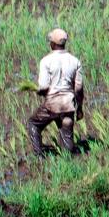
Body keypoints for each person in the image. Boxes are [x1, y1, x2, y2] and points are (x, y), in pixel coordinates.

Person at [26, 28, 84, 156]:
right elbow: (79, 89)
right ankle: (68, 157)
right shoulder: (75, 61)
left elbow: (44, 87)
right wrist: (79, 108)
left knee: (33, 124)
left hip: (52, 104)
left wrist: (38, 91)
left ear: (52, 44)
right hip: (68, 104)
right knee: (66, 132)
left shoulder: (46, 61)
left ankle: (39, 155)